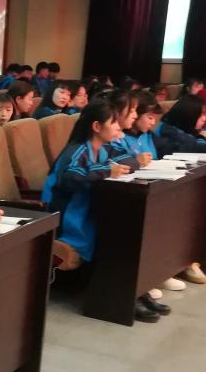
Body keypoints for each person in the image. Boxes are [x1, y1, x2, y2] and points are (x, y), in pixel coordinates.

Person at [41, 100, 171, 321]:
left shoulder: (104, 148)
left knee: (130, 227)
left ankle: (137, 291)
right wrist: (106, 170)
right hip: (66, 219)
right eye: (114, 123)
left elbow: (130, 160)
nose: (119, 128)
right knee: (118, 235)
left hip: (89, 213)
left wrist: (116, 166)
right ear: (96, 126)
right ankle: (122, 297)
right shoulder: (76, 150)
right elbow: (71, 176)